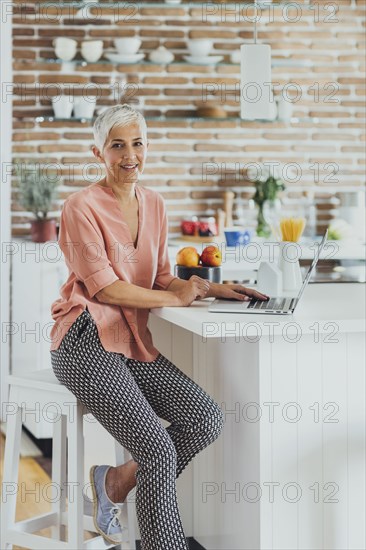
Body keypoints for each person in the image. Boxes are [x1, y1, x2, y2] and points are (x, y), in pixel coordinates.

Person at [49, 104, 268, 549]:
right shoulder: (80, 206)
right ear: (98, 152)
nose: (129, 155)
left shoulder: (156, 203)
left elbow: (162, 276)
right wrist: (173, 297)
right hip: (82, 343)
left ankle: (113, 483)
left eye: (137, 143)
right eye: (117, 145)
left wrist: (210, 288)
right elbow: (106, 290)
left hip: (130, 340)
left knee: (203, 418)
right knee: (157, 448)